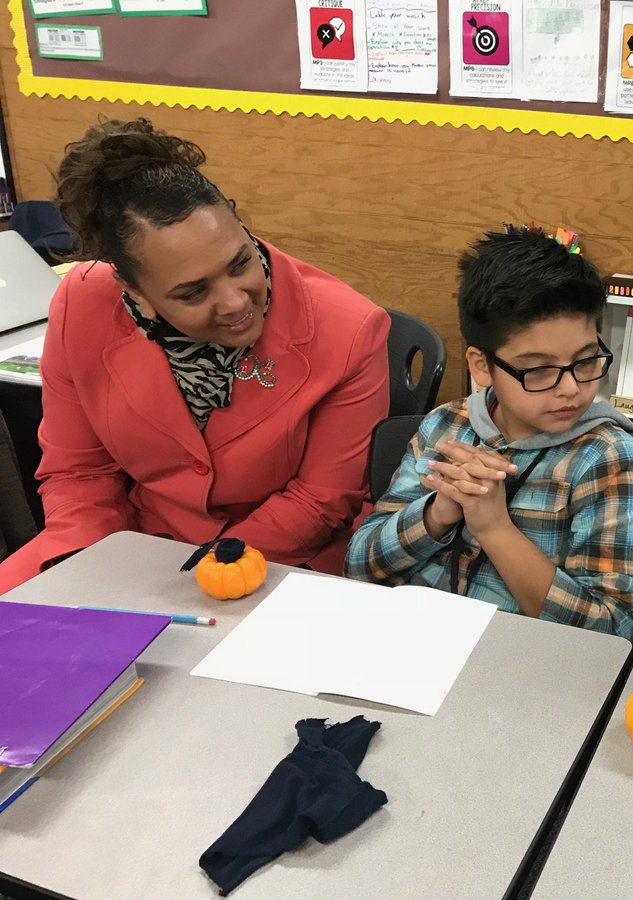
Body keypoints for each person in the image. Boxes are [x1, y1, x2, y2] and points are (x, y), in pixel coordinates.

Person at [0, 118, 389, 592]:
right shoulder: (82, 303)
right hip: (132, 544)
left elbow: (320, 501)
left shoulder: (349, 328)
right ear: (134, 291)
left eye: (240, 263)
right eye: (193, 292)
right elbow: (79, 472)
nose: (235, 302)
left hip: (278, 558)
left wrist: (200, 576)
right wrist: (90, 570)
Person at [345, 228, 633, 637]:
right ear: (483, 366)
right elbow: (358, 565)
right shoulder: (444, 426)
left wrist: (495, 529)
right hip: (410, 636)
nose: (571, 388)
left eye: (586, 360)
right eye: (538, 369)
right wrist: (438, 512)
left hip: (520, 659)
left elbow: (613, 631)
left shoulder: (607, 458)